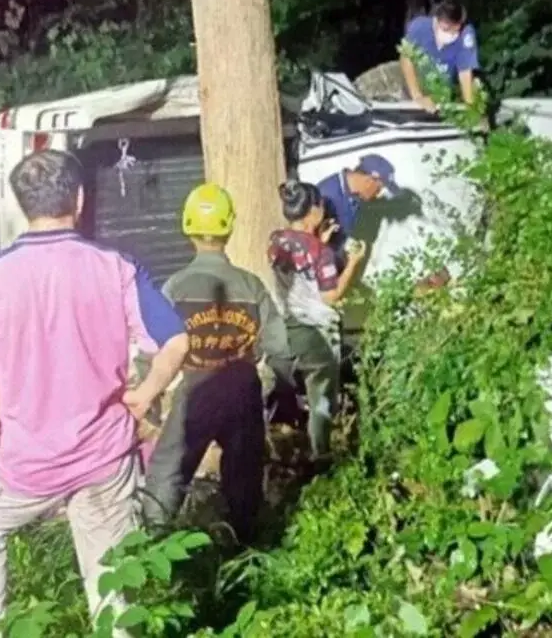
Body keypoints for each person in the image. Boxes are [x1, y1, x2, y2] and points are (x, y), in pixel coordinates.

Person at [0, 149, 189, 637]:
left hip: (27, 465)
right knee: (112, 590)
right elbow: (177, 340)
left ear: (22, 205)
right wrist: (146, 392)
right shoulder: (115, 267)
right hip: (104, 460)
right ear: (80, 200)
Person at [141, 183, 295, 545]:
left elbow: (154, 350)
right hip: (243, 388)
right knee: (244, 475)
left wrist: (150, 399)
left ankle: (154, 543)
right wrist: (281, 395)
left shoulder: (175, 288)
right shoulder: (252, 286)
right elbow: (280, 349)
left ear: (187, 228)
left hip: (196, 390)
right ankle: (245, 547)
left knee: (168, 470)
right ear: (229, 228)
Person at [268, 180, 365, 462]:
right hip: (316, 331)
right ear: (312, 211)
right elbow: (331, 296)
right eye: (320, 205)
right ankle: (320, 456)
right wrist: (354, 262)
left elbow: (299, 265)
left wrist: (316, 240)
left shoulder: (276, 240)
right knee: (322, 395)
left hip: (288, 323)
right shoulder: (320, 253)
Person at [315, 154, 399, 267]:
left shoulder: (356, 195)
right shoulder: (326, 196)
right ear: (369, 180)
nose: (378, 194)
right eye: (379, 188)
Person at [399, 0, 480, 112]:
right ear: (437, 20)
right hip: (413, 92)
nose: (452, 34)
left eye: (455, 30)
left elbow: (465, 72)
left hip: (442, 95)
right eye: (446, 29)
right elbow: (406, 59)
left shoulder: (466, 35)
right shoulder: (419, 27)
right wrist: (417, 96)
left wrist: (472, 109)